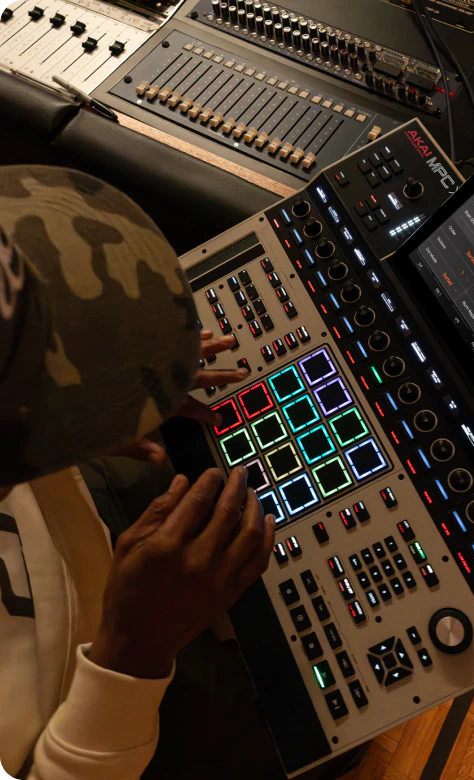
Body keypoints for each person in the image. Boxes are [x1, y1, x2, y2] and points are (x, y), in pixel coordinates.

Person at [0, 166, 277, 779]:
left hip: (71, 514)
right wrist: (131, 655)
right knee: (272, 733)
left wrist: (79, 405)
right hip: (94, 698)